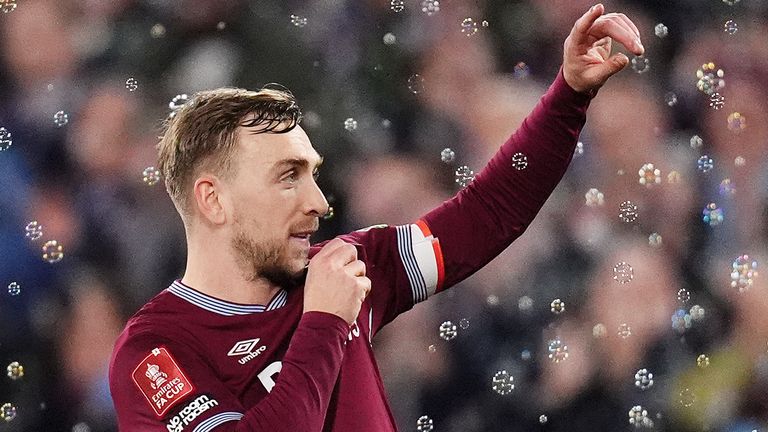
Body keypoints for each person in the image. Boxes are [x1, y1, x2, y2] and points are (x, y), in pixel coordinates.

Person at [109, 4, 644, 430]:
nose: (318, 202)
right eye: (287, 177)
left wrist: (569, 96)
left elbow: (490, 210)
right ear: (213, 200)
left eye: (314, 174)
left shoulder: (347, 269)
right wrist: (324, 323)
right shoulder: (155, 350)